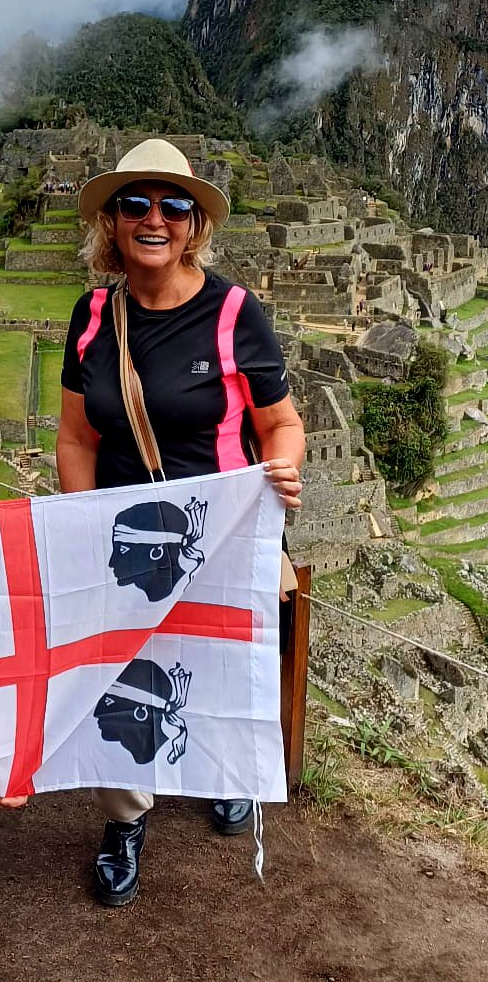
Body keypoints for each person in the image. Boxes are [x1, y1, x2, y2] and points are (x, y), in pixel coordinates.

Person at [55, 138, 305, 906]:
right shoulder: (94, 314)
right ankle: (125, 818)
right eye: (135, 204)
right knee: (119, 674)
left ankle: (222, 768)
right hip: (128, 538)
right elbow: (74, 436)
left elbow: (281, 423)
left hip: (222, 535)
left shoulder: (233, 314)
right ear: (112, 222)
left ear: (195, 224)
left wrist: (284, 468)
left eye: (172, 205)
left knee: (224, 662)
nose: (152, 218)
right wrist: (80, 523)